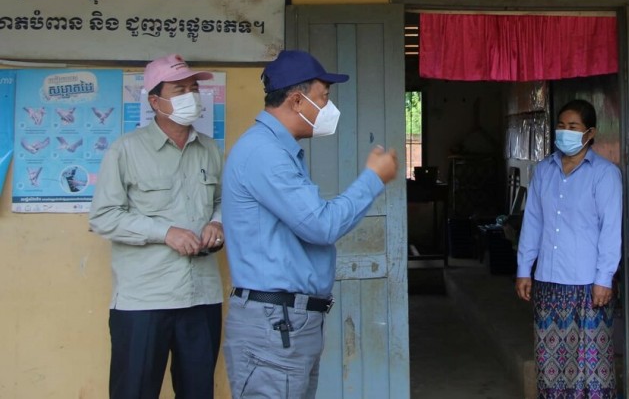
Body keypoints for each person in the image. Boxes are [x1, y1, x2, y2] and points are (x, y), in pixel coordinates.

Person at [221, 49, 398, 399]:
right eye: (324, 98)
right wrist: (372, 179)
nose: (329, 109)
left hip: (286, 324)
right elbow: (321, 225)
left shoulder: (277, 150)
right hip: (274, 326)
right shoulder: (265, 154)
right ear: (297, 101)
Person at [89, 54, 223, 399]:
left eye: (194, 88)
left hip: (201, 297)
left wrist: (217, 224)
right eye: (180, 89)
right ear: (155, 101)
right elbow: (104, 216)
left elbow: (225, 202)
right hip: (144, 301)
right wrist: (164, 232)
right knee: (134, 391)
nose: (191, 96)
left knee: (198, 392)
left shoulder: (210, 150)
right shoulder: (126, 150)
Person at [515, 99, 623, 399]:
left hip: (589, 285)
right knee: (552, 364)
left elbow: (611, 230)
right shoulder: (544, 171)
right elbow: (533, 222)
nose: (565, 132)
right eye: (561, 126)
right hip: (549, 283)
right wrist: (525, 269)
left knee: (592, 365)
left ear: (590, 133)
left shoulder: (605, 174)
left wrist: (604, 278)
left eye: (573, 127)